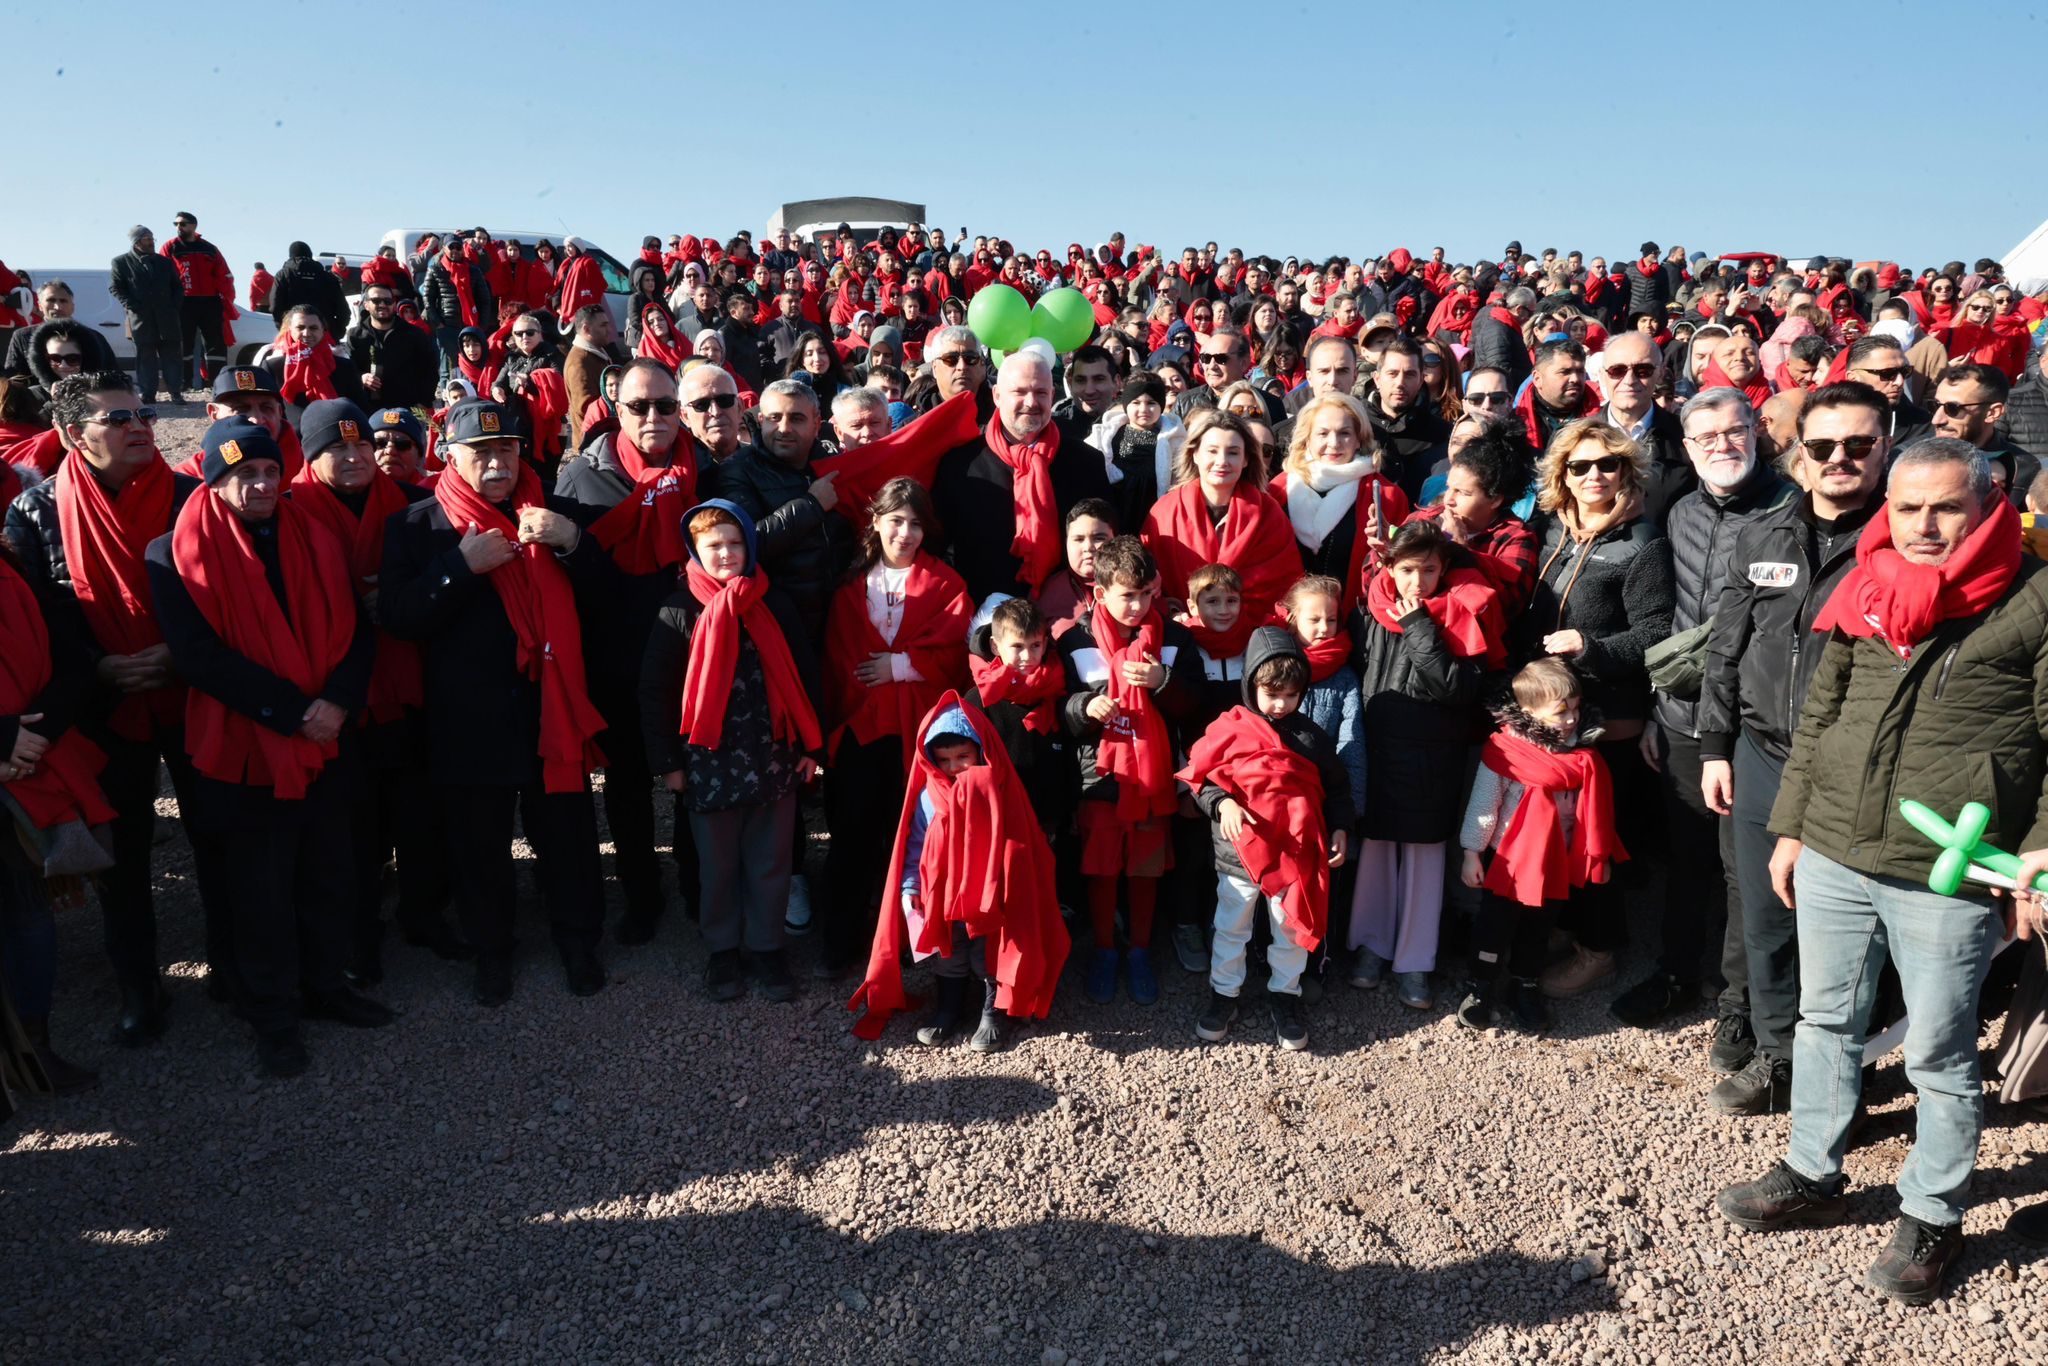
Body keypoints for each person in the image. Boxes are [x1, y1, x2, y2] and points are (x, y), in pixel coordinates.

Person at [1716, 438, 2048, 1307]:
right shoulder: (1867, 586)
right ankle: (1813, 1168)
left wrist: (2041, 850)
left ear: (1988, 505)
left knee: (1940, 1053)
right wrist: (1790, 827)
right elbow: (1821, 715)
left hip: (1947, 872)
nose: (1925, 526)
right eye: (1908, 509)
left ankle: (1933, 1211)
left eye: (1946, 507)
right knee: (1826, 1021)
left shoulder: (2035, 597)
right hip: (1834, 848)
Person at [144, 418, 390, 1077]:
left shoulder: (314, 534)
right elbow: (199, 658)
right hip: (248, 745)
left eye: (266, 471)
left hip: (327, 732)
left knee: (328, 871)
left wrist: (335, 703)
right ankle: (273, 1017)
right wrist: (292, 714)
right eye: (240, 476)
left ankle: (327, 985)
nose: (258, 484)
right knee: (260, 890)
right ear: (213, 480)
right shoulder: (169, 553)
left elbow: (355, 631)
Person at [5, 371, 237, 1043]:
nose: (140, 425)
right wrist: (101, 668)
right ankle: (140, 986)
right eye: (119, 419)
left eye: (141, 413)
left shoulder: (193, 496)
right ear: (75, 435)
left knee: (216, 836)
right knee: (124, 855)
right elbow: (41, 623)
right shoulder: (36, 511)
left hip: (197, 693)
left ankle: (232, 963)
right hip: (102, 705)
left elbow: (226, 595)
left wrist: (178, 652)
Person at [1695, 380, 1891, 1115]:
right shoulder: (1764, 535)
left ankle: (1849, 1061)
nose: (1840, 458)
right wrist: (1716, 745)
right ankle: (1778, 1057)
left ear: (1885, 448)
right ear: (1799, 453)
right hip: (1760, 754)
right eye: (1823, 445)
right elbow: (1726, 647)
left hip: (1853, 768)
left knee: (1848, 928)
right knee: (1765, 917)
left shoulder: (1901, 545)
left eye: (1859, 444)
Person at [378, 400, 612, 1007]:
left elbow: (609, 596)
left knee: (566, 834)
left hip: (548, 708)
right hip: (468, 719)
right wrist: (460, 567)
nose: (496, 462)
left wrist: (573, 543)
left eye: (506, 448)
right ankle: (492, 950)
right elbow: (399, 618)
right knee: (479, 846)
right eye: (480, 452)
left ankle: (577, 939)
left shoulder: (555, 511)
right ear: (450, 457)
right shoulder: (416, 526)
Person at [1615, 389, 1791, 1040]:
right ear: (1687, 447)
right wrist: (1662, 715)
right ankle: (1678, 972)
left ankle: (1741, 1007)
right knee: (1687, 860)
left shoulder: (1788, 513)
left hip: (1757, 728)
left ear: (1756, 431)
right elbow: (1678, 624)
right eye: (1706, 435)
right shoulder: (1682, 511)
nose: (1722, 444)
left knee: (1747, 875)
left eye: (1734, 430)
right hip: (1685, 719)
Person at [286, 399, 458, 982]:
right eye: (338, 448)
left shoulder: (411, 507)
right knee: (350, 825)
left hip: (408, 680)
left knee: (419, 810)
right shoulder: (289, 513)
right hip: (336, 693)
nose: (358, 456)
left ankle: (424, 912)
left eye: (362, 444)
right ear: (313, 456)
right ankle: (358, 933)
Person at [638, 500, 825, 1002]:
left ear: (750, 545)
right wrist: (667, 765)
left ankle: (767, 948)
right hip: (708, 762)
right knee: (717, 864)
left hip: (773, 755)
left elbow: (805, 675)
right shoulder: (679, 609)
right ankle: (723, 951)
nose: (726, 553)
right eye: (713, 545)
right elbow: (655, 693)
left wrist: (812, 744)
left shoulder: (773, 603)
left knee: (770, 859)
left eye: (735, 542)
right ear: (695, 552)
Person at [1520, 418, 1674, 999]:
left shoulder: (1642, 542)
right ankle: (1570, 926)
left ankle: (1600, 949)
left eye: (1606, 464)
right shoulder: (1554, 530)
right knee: (1559, 837)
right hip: (1553, 714)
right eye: (1579, 466)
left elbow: (1658, 631)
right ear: (1562, 473)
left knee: (1594, 842)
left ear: (1625, 471)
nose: (1593, 476)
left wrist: (1594, 648)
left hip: (1606, 718)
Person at [554, 359, 701, 945]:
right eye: (639, 406)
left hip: (690, 660)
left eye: (666, 406)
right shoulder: (582, 479)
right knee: (627, 788)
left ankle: (695, 884)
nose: (654, 417)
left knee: (693, 779)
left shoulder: (703, 470)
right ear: (616, 407)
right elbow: (567, 580)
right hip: (616, 659)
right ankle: (641, 894)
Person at [851, 695, 1068, 1051]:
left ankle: (991, 1012)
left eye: (963, 757)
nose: (954, 767)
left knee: (987, 953)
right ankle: (948, 1009)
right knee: (948, 950)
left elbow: (1022, 841)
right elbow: (915, 844)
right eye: (944, 760)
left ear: (981, 750)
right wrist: (911, 885)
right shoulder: (926, 797)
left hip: (990, 896)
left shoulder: (1000, 788)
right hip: (945, 893)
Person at [819, 478, 972, 972]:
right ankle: (840, 941)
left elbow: (955, 653)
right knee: (853, 835)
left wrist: (901, 666)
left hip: (920, 733)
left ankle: (914, 942)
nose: (905, 533)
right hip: (864, 731)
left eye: (915, 524)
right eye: (896, 521)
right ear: (876, 523)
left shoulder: (947, 584)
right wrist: (878, 679)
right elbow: (840, 661)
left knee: (911, 838)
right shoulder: (849, 588)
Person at [1347, 521, 1501, 1007]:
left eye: (1429, 570)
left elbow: (1455, 689)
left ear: (1444, 569)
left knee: (1424, 861)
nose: (1417, 582)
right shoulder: (1371, 607)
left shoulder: (1463, 609)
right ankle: (1371, 945)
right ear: (1389, 567)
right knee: (1375, 853)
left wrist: (1419, 628)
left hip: (1432, 756)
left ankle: (1415, 960)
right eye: (1407, 570)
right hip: (1378, 747)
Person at [1179, 626, 1351, 1049]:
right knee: (1231, 924)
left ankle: (1285, 994)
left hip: (1293, 851)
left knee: (1288, 925)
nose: (1280, 703)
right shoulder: (1227, 729)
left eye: (1291, 695)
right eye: (1271, 693)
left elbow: (1336, 788)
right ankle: (1224, 993)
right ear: (1250, 684)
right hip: (1238, 851)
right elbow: (1202, 781)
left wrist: (1342, 828)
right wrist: (1224, 805)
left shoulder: (1311, 737)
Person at [1059, 535, 1202, 1006]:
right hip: (1098, 780)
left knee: (1144, 870)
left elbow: (1194, 709)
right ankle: (1104, 949)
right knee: (1101, 871)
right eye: (1126, 595)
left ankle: (1139, 950)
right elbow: (1054, 707)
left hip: (1153, 779)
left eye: (1145, 594)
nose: (1138, 606)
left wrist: (1164, 683)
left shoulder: (1176, 639)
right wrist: (1084, 707)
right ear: (1100, 594)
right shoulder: (1075, 640)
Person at [1455, 658, 1624, 1032]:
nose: (1571, 720)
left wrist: (1599, 854)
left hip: (1556, 859)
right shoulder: (1507, 751)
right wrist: (1471, 851)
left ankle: (1524, 983)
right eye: (1560, 712)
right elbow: (1485, 805)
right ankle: (1480, 984)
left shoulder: (1582, 754)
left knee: (1539, 926)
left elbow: (1594, 811)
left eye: (1576, 709)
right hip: (1510, 861)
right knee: (1494, 924)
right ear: (1529, 712)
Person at [0, 536, 110, 1093]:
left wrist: (33, 737)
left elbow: (71, 660)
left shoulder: (11, 566)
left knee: (27, 915)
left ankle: (34, 1049)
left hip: (29, 768)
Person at [932, 351, 1111, 602]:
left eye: (1040, 393)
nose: (1031, 402)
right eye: (1020, 392)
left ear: (1052, 395)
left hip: (1067, 617)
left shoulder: (1086, 463)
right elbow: (940, 550)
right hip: (984, 621)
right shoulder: (960, 465)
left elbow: (1109, 547)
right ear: (997, 396)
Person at [1140, 408, 1296, 642]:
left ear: (1245, 460)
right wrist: (1171, 612)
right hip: (1181, 642)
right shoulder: (1163, 513)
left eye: (1233, 453)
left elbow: (1285, 590)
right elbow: (1146, 583)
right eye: (1212, 451)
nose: (1222, 461)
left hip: (1255, 642)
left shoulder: (1269, 514)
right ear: (1194, 454)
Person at [1270, 392, 1409, 614]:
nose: (1333, 443)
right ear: (1307, 438)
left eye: (1344, 433)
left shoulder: (1387, 496)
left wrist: (1386, 547)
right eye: (1323, 433)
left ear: (1359, 440)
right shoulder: (1277, 491)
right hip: (1287, 624)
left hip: (1358, 625)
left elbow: (1405, 567)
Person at [1420, 424, 1539, 618]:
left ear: (1495, 499)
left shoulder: (1515, 538)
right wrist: (1383, 552)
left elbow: (1505, 608)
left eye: (1463, 493)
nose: (1448, 499)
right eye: (1449, 487)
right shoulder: (1428, 517)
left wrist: (1459, 549)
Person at [1596, 331, 1692, 522]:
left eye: (1643, 371)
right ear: (1602, 376)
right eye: (1617, 371)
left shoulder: (1687, 438)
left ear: (1661, 373)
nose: (1629, 380)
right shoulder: (1574, 440)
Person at [1364, 338, 1452, 503]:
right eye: (1392, 373)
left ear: (1420, 381)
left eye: (1410, 374)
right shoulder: (1355, 423)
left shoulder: (1441, 434)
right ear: (1377, 379)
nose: (1400, 383)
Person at [1931, 364, 2030, 503]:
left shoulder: (2025, 469)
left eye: (1953, 408)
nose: (1936, 419)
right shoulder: (1906, 458)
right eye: (1935, 405)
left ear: (1993, 413)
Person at [108, 226, 186, 404]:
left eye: (152, 238)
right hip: (141, 319)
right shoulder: (121, 262)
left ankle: (176, 392)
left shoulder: (165, 262)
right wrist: (132, 305)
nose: (151, 242)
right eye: (146, 238)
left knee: (172, 356)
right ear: (136, 242)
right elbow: (116, 287)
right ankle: (148, 393)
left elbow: (177, 287)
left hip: (168, 318)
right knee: (146, 357)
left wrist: (174, 306)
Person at [163, 212, 233, 388]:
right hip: (184, 302)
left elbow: (225, 274)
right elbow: (162, 275)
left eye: (183, 223)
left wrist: (225, 298)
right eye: (176, 224)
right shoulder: (170, 247)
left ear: (194, 225)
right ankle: (183, 383)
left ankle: (217, 382)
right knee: (183, 344)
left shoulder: (209, 248)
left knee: (215, 343)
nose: (179, 227)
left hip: (210, 302)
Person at [346, 281, 439, 413]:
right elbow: (349, 371)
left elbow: (430, 370)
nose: (383, 305)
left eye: (388, 301)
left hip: (408, 410)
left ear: (394, 305)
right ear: (366, 304)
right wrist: (362, 378)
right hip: (369, 411)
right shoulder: (355, 336)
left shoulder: (414, 334)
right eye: (376, 300)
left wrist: (423, 403)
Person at [3, 280, 118, 380]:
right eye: (51, 300)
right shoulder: (23, 337)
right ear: (40, 306)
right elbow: (14, 378)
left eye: (63, 301)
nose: (57, 307)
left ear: (73, 307)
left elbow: (113, 375)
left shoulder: (94, 338)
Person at [1173, 326, 1286, 424]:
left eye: (1221, 359)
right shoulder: (1184, 402)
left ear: (1244, 363)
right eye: (1206, 358)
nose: (1211, 366)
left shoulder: (1271, 405)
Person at [1515, 339, 1602, 456]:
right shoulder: (1516, 425)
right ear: (1537, 378)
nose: (1575, 379)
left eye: (1580, 371)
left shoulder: (1603, 418)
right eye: (1565, 372)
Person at [267, 241, 348, 338]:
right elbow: (343, 310)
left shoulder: (283, 275)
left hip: (294, 334)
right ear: (310, 255)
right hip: (324, 335)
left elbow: (275, 306)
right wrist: (336, 332)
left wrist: (284, 329)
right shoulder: (328, 277)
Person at [565, 306, 618, 449]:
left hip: (603, 439)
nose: (609, 330)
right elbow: (585, 407)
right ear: (586, 329)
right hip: (592, 445)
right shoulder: (579, 362)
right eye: (603, 325)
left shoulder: (596, 353)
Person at [1472, 287, 1535, 392]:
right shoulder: (1498, 329)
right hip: (1500, 393)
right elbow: (1498, 369)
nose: (1530, 318)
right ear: (1519, 310)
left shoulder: (1507, 326)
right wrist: (1529, 376)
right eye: (1531, 313)